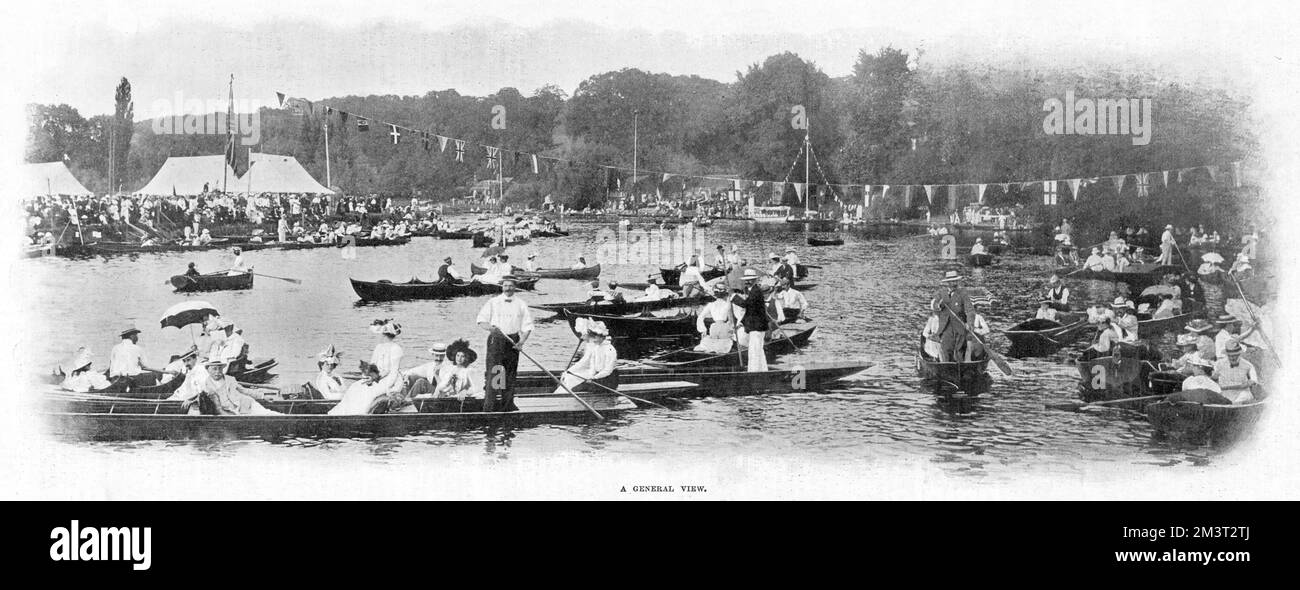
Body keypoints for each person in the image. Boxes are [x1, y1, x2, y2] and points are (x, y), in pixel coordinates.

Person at [476, 276, 533, 412]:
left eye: (511, 286)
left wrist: (521, 342)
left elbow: (527, 326)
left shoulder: (521, 304)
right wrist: (491, 328)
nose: (508, 288)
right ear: (502, 287)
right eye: (506, 285)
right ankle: (489, 407)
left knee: (510, 374)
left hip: (513, 341)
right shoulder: (493, 302)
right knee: (495, 373)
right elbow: (481, 321)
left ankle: (508, 406)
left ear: (515, 287)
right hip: (496, 340)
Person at [195, 359, 282, 416]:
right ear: (208, 370)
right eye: (214, 369)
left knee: (267, 414)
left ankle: (285, 418)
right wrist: (189, 400)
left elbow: (245, 391)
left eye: (220, 369)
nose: (218, 372)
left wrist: (263, 396)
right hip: (227, 411)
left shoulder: (230, 379)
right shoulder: (205, 384)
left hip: (245, 403)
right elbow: (197, 396)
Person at [556, 321, 619, 393]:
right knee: (573, 386)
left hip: (608, 380)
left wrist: (594, 378)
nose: (593, 339)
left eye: (595, 337)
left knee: (574, 389)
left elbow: (607, 371)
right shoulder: (596, 348)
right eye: (593, 336)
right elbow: (593, 366)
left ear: (602, 337)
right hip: (597, 377)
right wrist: (591, 376)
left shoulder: (610, 350)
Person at [930, 271, 973, 362]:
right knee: (946, 348)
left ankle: (960, 369)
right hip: (945, 327)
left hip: (960, 326)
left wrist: (969, 323)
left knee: (959, 350)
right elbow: (934, 305)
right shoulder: (941, 293)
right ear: (947, 282)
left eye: (955, 281)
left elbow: (969, 310)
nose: (954, 283)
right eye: (952, 281)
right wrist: (939, 305)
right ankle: (947, 369)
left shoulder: (963, 293)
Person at [734, 269, 772, 372]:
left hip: (757, 326)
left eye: (750, 280)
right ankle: (762, 370)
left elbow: (746, 304)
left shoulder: (755, 291)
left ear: (754, 280)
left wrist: (733, 296)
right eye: (746, 280)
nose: (747, 282)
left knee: (754, 350)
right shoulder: (753, 291)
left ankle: (754, 371)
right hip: (756, 326)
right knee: (758, 349)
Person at [695, 283, 738, 354]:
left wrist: (703, 330)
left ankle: (711, 349)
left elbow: (700, 317)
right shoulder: (728, 304)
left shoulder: (711, 304)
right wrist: (733, 330)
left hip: (714, 328)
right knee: (726, 341)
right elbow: (731, 320)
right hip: (724, 327)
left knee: (713, 343)